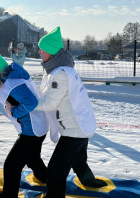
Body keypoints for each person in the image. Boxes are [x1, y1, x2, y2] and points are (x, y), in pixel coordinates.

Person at [35, 26, 107, 198]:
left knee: (55, 170)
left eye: (42, 49)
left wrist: (27, 103)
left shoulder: (59, 74)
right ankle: (89, 181)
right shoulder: (66, 69)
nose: (39, 52)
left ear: (51, 52)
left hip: (75, 129)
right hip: (82, 125)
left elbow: (49, 103)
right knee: (79, 160)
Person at [0, 50, 48, 198]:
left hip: (31, 131)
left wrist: (13, 112)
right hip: (37, 128)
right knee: (33, 158)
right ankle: (47, 178)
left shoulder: (12, 84)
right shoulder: (13, 79)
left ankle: (10, 195)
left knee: (11, 165)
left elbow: (31, 102)